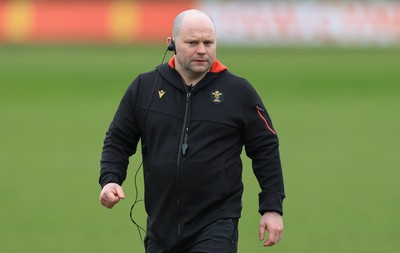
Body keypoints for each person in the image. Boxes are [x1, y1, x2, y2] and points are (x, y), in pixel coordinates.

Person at [99, 9, 285, 253]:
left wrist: (272, 207)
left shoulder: (239, 92)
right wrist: (110, 178)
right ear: (172, 44)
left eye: (208, 42)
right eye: (192, 42)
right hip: (160, 228)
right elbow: (118, 139)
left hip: (216, 225)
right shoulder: (144, 87)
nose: (202, 50)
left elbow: (265, 148)